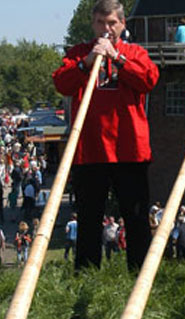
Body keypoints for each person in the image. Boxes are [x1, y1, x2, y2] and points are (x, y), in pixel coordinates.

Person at [53, 0, 159, 271]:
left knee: (135, 216)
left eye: (112, 22)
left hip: (130, 148)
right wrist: (86, 63)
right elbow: (61, 83)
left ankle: (140, 273)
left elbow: (148, 79)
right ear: (93, 25)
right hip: (90, 149)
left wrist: (117, 58)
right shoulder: (79, 53)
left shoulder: (134, 52)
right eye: (101, 22)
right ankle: (87, 272)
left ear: (122, 24)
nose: (106, 28)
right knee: (89, 217)